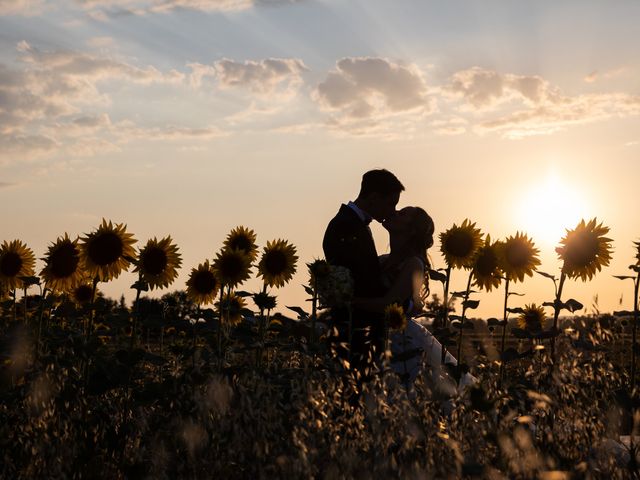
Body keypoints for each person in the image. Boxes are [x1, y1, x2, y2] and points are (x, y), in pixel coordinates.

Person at [353, 206, 470, 393]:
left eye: (402, 213)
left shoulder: (413, 264)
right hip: (373, 336)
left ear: (412, 230)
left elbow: (387, 304)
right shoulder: (382, 260)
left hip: (400, 341)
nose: (394, 212)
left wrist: (349, 301)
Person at [322, 169, 404, 374]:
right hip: (353, 330)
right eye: (391, 204)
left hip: (361, 328)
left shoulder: (354, 224)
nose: (393, 211)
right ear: (374, 198)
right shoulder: (345, 226)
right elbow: (356, 279)